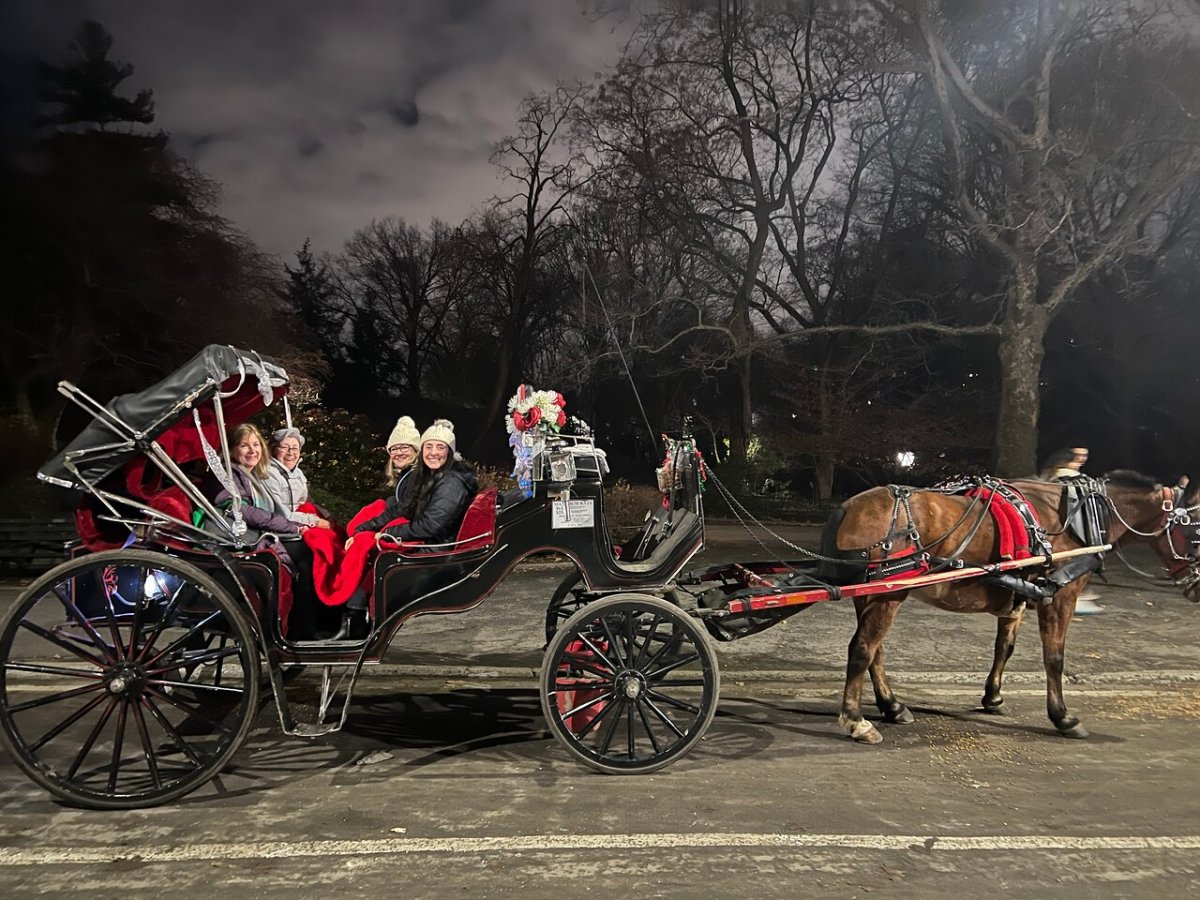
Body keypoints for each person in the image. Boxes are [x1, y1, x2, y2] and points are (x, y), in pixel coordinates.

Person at [336, 419, 477, 639]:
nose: (433, 453)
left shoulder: (451, 483)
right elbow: (401, 509)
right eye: (429, 446)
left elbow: (429, 526)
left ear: (449, 452)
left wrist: (384, 535)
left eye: (440, 447)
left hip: (436, 547)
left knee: (371, 554)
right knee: (362, 545)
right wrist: (363, 529)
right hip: (428, 539)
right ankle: (354, 616)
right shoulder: (428, 476)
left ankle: (356, 621)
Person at [214, 423, 321, 639]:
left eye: (256, 445)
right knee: (305, 554)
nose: (252, 451)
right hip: (245, 537)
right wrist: (292, 527)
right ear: (231, 450)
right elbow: (244, 510)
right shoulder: (230, 474)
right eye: (244, 445)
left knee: (310, 547)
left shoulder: (251, 473)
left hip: (259, 530)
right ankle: (302, 628)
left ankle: (314, 621)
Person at [1040, 446, 1103, 616]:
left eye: (1085, 455)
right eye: (1078, 455)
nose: (1081, 459)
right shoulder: (1063, 476)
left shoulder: (1072, 475)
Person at [347, 416, 422, 537]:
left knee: (363, 538)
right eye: (394, 449)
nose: (399, 453)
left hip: (414, 531)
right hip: (405, 526)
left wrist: (367, 529)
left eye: (404, 447)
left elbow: (405, 509)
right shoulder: (405, 475)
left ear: (416, 451)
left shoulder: (418, 476)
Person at [263, 427, 333, 530]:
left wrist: (327, 516)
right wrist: (315, 522)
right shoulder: (268, 474)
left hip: (301, 521)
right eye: (284, 447)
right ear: (273, 450)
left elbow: (307, 500)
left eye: (295, 448)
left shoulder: (298, 473)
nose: (290, 453)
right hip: (281, 526)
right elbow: (278, 513)